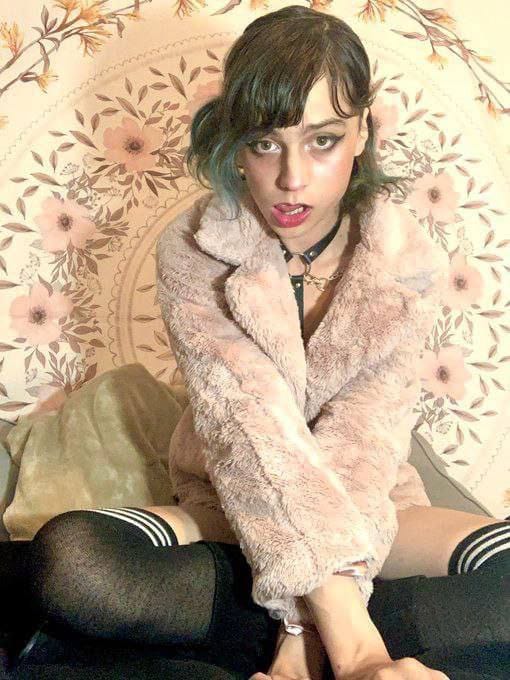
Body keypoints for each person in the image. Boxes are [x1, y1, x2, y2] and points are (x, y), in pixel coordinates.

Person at [15, 5, 510, 680]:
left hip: (368, 506)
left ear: (362, 132)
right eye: (265, 143)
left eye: (323, 140)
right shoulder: (194, 247)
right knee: (73, 561)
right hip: (231, 500)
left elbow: (364, 436)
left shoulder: (406, 258)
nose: (293, 178)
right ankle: (356, 638)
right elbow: (249, 429)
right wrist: (351, 646)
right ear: (236, 141)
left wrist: (317, 623)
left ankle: (284, 635)